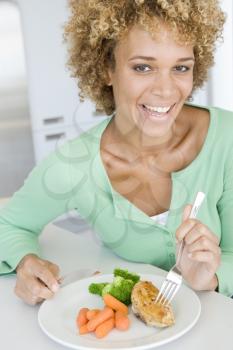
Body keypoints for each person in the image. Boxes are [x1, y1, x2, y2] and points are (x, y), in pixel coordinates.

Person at [0, 0, 231, 306]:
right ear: (107, 68)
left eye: (180, 67)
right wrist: (25, 263)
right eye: (143, 67)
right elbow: (9, 224)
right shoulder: (74, 166)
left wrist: (210, 278)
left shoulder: (226, 138)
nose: (165, 90)